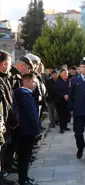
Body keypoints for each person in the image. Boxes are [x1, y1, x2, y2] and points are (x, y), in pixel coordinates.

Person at [2, 56, 33, 178]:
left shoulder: (15, 76)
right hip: (10, 118)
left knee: (12, 145)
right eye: (28, 68)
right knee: (7, 145)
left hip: (14, 117)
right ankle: (5, 167)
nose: (28, 71)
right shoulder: (11, 76)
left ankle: (9, 164)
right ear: (22, 65)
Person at [13, 73, 41, 185]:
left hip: (21, 130)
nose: (35, 85)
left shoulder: (18, 93)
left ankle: (24, 177)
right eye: (33, 82)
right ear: (26, 81)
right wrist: (37, 129)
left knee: (23, 157)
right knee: (25, 157)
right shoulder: (25, 95)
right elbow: (32, 114)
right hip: (27, 131)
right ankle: (23, 180)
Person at [0, 50, 17, 185]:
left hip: (6, 122)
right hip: (1, 123)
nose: (11, 67)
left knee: (4, 149)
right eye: (10, 64)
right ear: (4, 63)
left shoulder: (4, 77)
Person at [54, 68, 70, 133]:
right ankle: (61, 128)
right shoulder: (57, 81)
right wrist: (63, 95)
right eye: (64, 73)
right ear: (60, 74)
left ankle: (65, 126)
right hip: (60, 100)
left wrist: (69, 95)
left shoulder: (69, 81)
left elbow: (71, 89)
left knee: (67, 114)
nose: (66, 74)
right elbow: (56, 92)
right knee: (61, 115)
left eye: (67, 73)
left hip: (68, 100)